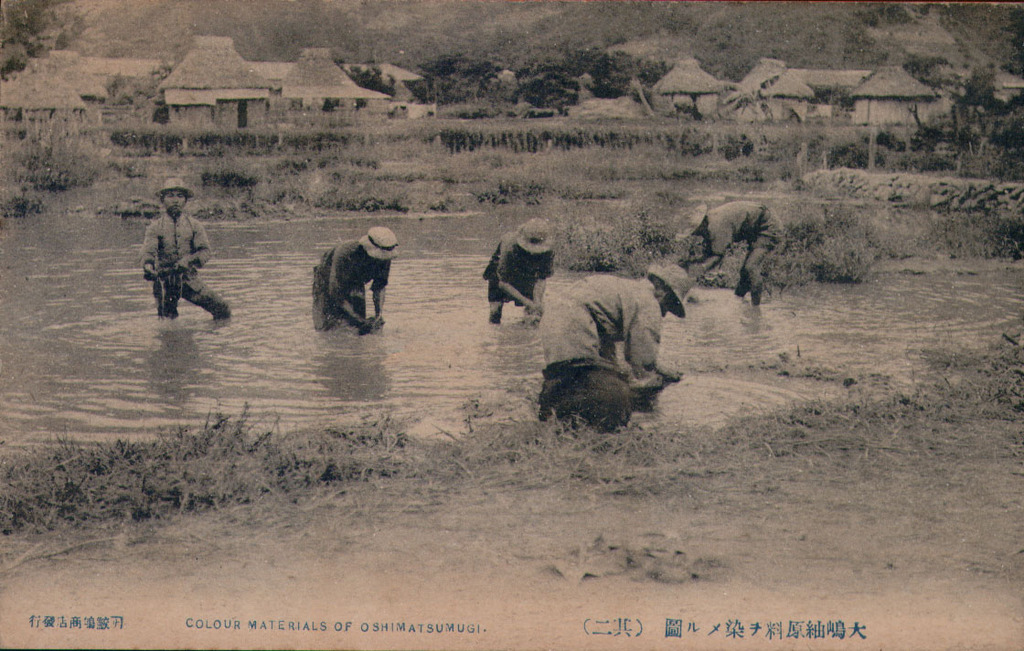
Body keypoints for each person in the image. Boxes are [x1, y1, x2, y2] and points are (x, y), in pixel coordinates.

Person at [537, 264, 692, 432]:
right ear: (662, 290)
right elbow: (642, 362)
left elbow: (610, 354)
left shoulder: (624, 291)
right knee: (601, 388)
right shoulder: (648, 301)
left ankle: (551, 418)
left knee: (569, 378)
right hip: (574, 322)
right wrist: (658, 380)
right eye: (669, 305)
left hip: (553, 317)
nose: (664, 313)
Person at [140, 178, 231, 320]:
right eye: (170, 196)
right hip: (165, 281)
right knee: (167, 323)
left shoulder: (195, 226)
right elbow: (148, 252)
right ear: (163, 200)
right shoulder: (155, 227)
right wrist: (148, 265)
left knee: (222, 309)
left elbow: (205, 252)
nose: (175, 200)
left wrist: (188, 260)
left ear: (185, 200)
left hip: (189, 279)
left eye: (180, 196)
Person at [678, 201, 781, 306]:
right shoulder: (710, 221)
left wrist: (702, 268)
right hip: (754, 226)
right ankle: (739, 301)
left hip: (767, 226)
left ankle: (755, 309)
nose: (696, 234)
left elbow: (717, 256)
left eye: (695, 231)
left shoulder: (716, 226)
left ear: (700, 225)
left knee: (751, 267)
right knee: (744, 272)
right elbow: (711, 252)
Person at [312, 226, 398, 334]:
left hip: (356, 281)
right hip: (327, 280)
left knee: (359, 329)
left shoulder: (385, 256)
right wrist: (359, 320)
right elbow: (335, 292)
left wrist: (378, 315)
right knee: (327, 327)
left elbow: (380, 286)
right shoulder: (345, 253)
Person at [483, 218, 554, 324]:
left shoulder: (548, 251)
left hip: (528, 273)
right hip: (500, 272)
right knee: (495, 312)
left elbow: (541, 278)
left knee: (533, 315)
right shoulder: (510, 247)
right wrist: (527, 302)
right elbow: (503, 283)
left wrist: (537, 301)